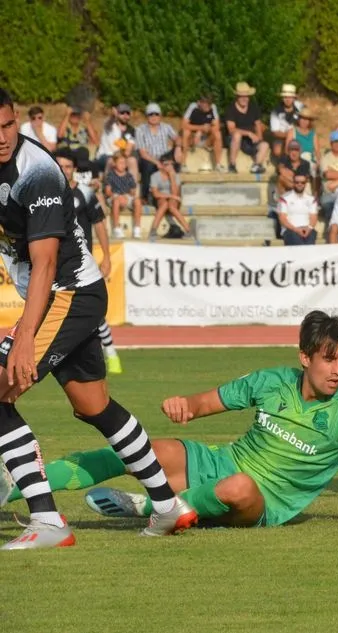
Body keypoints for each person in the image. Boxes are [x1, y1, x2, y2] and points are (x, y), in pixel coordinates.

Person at [0, 88, 195, 549]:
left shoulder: (38, 172)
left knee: (2, 384)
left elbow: (46, 264)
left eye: (7, 126)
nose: (1, 137)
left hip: (69, 294)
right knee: (92, 405)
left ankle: (48, 522)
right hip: (59, 297)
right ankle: (168, 506)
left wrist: (24, 337)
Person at [5, 312, 338, 532]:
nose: (337, 370)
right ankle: (15, 486)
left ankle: (149, 507)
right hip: (220, 462)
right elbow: (204, 403)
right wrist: (184, 406)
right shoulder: (271, 382)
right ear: (305, 357)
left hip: (262, 502)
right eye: (328, 359)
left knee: (239, 486)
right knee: (135, 450)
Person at [54, 149, 123, 375]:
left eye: (67, 166)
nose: (63, 170)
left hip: (83, 263)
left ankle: (111, 352)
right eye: (59, 165)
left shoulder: (84, 192)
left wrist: (106, 256)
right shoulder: (47, 193)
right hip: (56, 264)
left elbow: (100, 224)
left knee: (90, 309)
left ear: (74, 169)